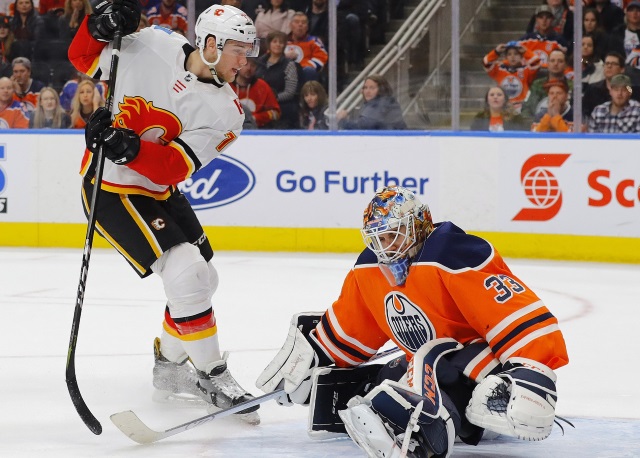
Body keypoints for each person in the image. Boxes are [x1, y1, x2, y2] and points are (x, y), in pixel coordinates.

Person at [256, 186, 569, 458]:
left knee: (433, 361)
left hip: (476, 372)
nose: (386, 246)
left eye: (393, 233)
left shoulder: (452, 253)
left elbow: (516, 315)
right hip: (424, 367)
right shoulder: (369, 269)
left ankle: (422, 435)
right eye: (378, 238)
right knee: (386, 377)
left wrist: (530, 374)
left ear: (419, 226)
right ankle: (389, 412)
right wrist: (312, 363)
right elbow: (351, 329)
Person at [67, 2, 262, 423]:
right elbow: (83, 57)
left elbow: (174, 165)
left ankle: (171, 367)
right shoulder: (152, 44)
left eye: (248, 52)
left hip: (157, 187)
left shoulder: (227, 112)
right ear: (210, 43)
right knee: (187, 274)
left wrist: (130, 146)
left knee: (203, 275)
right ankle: (212, 374)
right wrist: (96, 25)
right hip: (109, 187)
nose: (244, 61)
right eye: (238, 50)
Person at [482, 40, 541, 113]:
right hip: (503, 107)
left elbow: (536, 62)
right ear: (506, 57)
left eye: (516, 54)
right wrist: (496, 52)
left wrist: (526, 51)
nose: (513, 57)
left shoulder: (526, 70)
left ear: (521, 56)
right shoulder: (499, 70)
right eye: (509, 54)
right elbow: (485, 63)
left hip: (522, 108)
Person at [255, 30, 298, 128]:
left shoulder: (289, 64)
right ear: (269, 44)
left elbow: (289, 92)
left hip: (281, 107)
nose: (278, 45)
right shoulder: (259, 62)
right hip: (259, 104)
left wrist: (272, 99)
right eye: (275, 42)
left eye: (281, 42)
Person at [337, 74, 406, 130]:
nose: (367, 91)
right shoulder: (379, 102)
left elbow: (363, 125)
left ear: (381, 89)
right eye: (365, 88)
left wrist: (342, 121)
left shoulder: (382, 103)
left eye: (372, 88)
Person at [229, 57, 281, 128]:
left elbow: (276, 113)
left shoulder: (263, 86)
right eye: (245, 64)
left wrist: (255, 118)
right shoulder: (227, 86)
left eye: (253, 65)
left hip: (257, 131)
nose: (249, 68)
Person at [521, 48, 573, 118]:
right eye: (552, 61)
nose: (555, 64)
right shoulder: (537, 84)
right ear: (547, 63)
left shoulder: (572, 86)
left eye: (560, 61)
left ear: (566, 65)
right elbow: (526, 109)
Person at [285, 11, 327, 83]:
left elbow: (320, 60)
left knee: (309, 70)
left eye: (303, 22)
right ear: (290, 25)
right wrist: (283, 56)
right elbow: (271, 57)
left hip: (304, 74)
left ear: (307, 27)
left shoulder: (314, 41)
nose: (300, 24)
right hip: (284, 73)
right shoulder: (282, 41)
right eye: (297, 22)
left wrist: (299, 68)